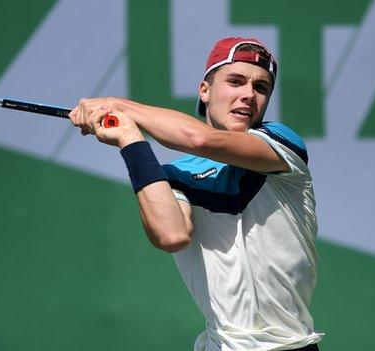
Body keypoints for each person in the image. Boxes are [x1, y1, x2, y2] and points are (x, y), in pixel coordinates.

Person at [69, 37, 323, 351]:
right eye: (235, 81)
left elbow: (201, 140)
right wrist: (131, 140)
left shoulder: (281, 143)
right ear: (204, 90)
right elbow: (171, 234)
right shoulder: (178, 175)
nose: (248, 95)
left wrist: (117, 105)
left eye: (261, 88)